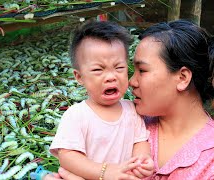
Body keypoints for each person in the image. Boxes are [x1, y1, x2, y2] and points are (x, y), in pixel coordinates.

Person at [45, 19, 214, 179]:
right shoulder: (134, 117)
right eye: (98, 70)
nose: (131, 82)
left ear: (182, 77)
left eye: (142, 70)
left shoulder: (209, 161)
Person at [48, 21, 154, 180]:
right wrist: (104, 171)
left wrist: (142, 160)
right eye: (98, 70)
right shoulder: (77, 115)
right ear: (79, 77)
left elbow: (140, 141)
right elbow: (68, 156)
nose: (111, 77)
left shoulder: (132, 110)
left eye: (119, 68)